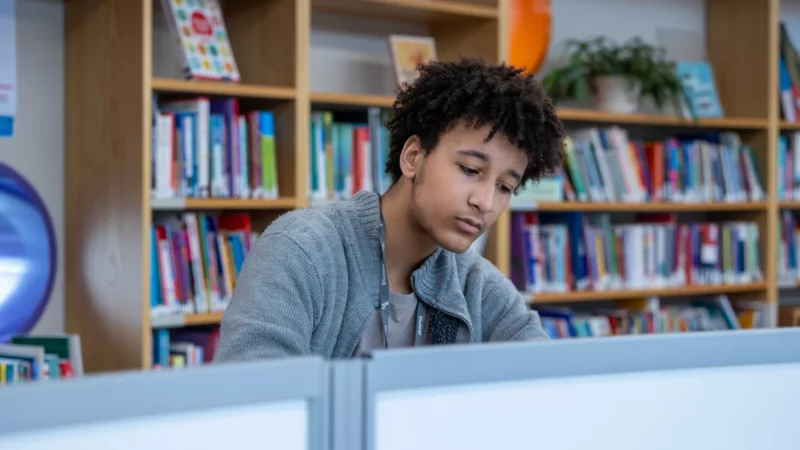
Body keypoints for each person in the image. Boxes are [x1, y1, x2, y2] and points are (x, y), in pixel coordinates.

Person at [213, 57, 565, 362]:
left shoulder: (475, 284)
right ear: (413, 157)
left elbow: (548, 381)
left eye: (505, 187)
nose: (485, 202)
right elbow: (254, 401)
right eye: (470, 170)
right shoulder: (301, 250)